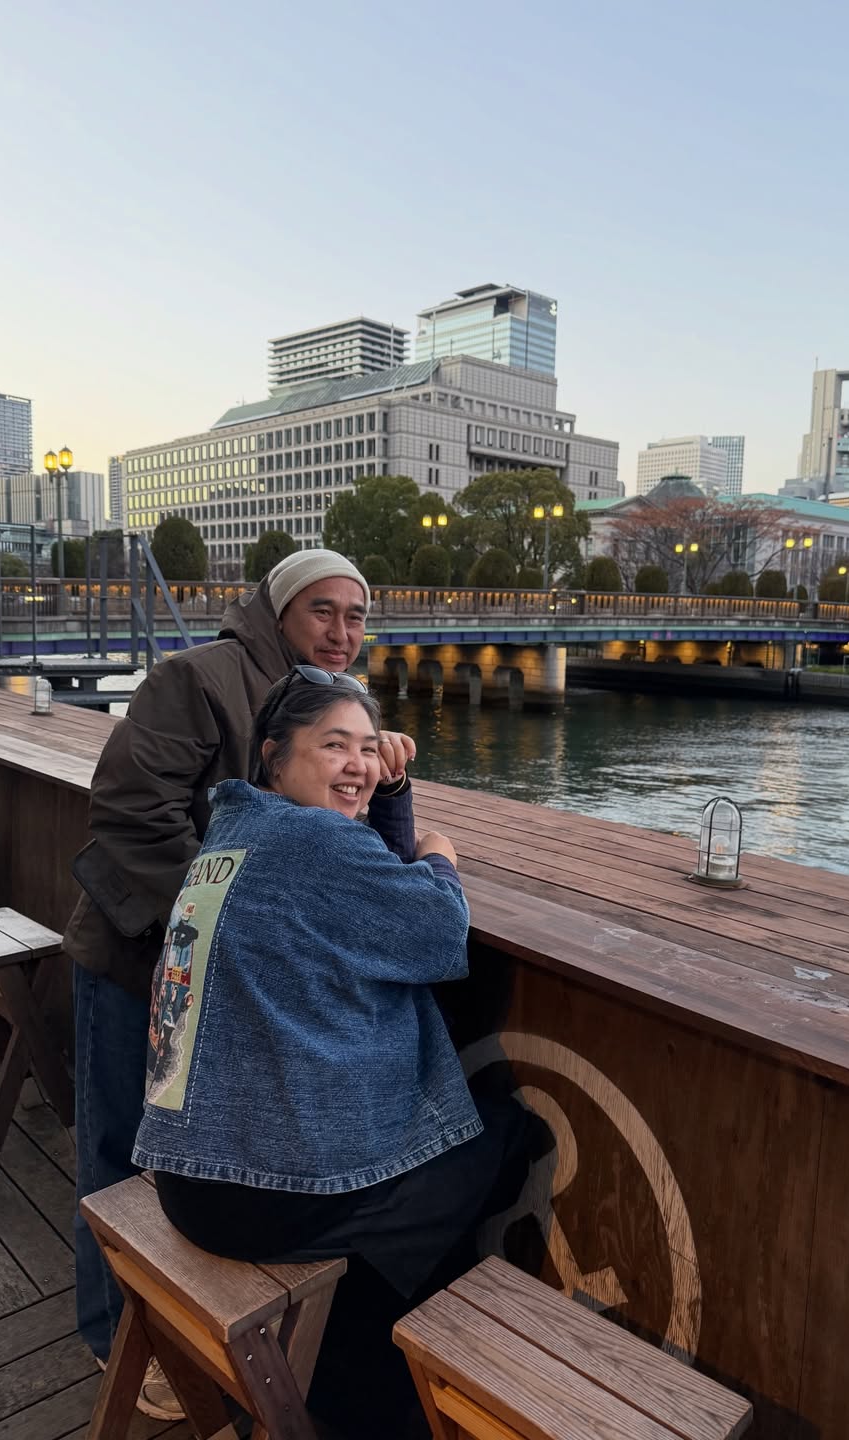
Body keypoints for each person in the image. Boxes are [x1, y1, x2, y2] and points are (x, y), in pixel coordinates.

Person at [134, 670, 530, 1437]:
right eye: (333, 746)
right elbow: (432, 933)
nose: (357, 763)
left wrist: (390, 794)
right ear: (276, 756)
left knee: (421, 1187)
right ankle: (368, 1379)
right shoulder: (310, 843)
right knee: (498, 1137)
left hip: (186, 1174)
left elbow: (359, 879)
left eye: (366, 748)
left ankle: (360, 1368)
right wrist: (441, 857)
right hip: (255, 1199)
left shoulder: (236, 831)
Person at [66, 549, 416, 1419]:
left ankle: (180, 1344)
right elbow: (127, 808)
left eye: (358, 615)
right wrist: (220, 918)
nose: (343, 632)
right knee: (117, 1151)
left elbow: (322, 835)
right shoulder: (199, 676)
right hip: (138, 957)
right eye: (323, 611)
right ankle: (115, 1340)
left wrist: (379, 769)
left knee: (177, 1149)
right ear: (277, 608)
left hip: (217, 977)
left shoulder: (321, 708)